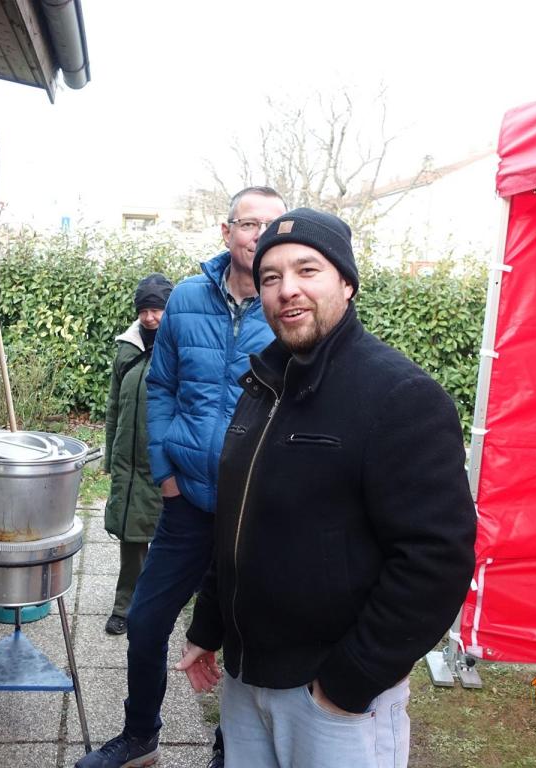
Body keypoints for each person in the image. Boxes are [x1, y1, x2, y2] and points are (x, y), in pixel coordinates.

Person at [177, 208, 477, 768]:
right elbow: (237, 522)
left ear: (347, 282)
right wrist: (209, 626)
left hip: (333, 702)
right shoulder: (262, 385)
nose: (287, 289)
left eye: (307, 270)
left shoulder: (399, 396)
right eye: (271, 277)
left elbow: (437, 559)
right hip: (246, 682)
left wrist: (348, 681)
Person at [76, 186, 287, 768]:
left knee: (244, 631)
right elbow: (162, 386)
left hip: (255, 510)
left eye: (272, 225)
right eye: (249, 223)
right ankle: (140, 735)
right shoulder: (188, 298)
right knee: (145, 621)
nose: (260, 235)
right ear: (227, 231)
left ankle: (230, 747)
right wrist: (166, 472)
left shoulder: (288, 307)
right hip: (187, 500)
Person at [102, 273, 174, 636]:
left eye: (156, 309)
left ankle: (159, 603)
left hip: (162, 462)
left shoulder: (178, 348)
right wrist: (109, 455)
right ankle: (124, 607)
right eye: (144, 310)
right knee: (132, 536)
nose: (149, 317)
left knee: (166, 535)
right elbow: (114, 406)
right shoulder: (126, 349)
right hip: (127, 462)